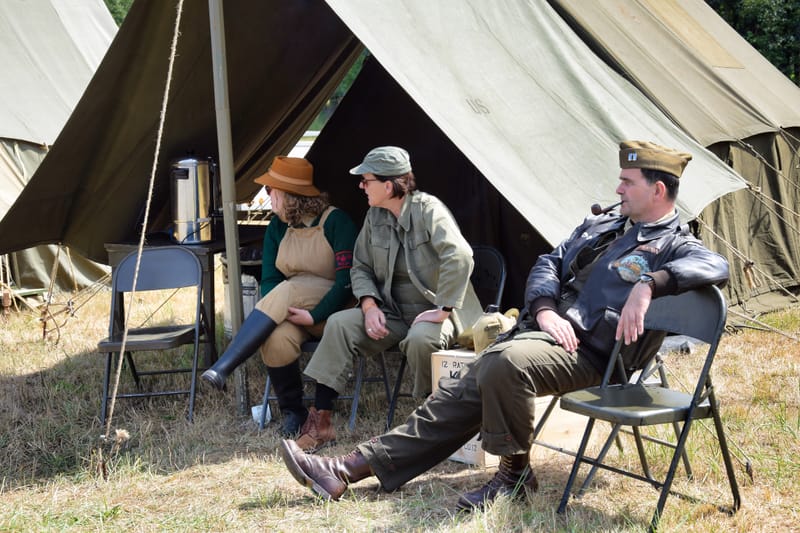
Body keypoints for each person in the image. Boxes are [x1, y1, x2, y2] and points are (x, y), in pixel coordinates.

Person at [279, 140, 731, 511]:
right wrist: (548, 308)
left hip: (597, 352)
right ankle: (344, 471)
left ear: (658, 190)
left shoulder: (674, 242)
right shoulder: (604, 224)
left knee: (503, 362)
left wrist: (650, 283)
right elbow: (548, 263)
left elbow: (716, 266)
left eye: (628, 182)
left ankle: (513, 475)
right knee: (460, 394)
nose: (618, 188)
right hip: (548, 331)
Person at [292, 146, 483, 452]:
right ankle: (322, 421)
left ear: (389, 185)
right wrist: (368, 305)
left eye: (366, 180)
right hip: (391, 313)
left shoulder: (428, 210)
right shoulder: (374, 216)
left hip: (433, 314)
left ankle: (430, 424)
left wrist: (443, 308)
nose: (361, 186)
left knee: (422, 340)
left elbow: (460, 256)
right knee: (340, 324)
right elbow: (361, 267)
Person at [201, 156, 358, 436]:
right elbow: (271, 281)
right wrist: (286, 312)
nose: (267, 196)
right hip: (293, 307)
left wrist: (314, 314)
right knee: (276, 339)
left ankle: (225, 365)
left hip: (334, 309)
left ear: (290, 196)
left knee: (290, 289)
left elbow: (347, 281)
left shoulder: (337, 222)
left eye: (271, 190)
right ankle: (293, 411)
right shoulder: (277, 228)